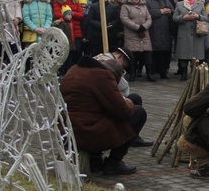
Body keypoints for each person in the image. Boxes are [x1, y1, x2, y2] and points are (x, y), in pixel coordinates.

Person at [60, 47, 150, 175]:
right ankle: (113, 163)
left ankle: (95, 159)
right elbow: (121, 111)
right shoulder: (102, 76)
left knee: (133, 99)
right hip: (85, 131)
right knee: (139, 113)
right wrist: (128, 103)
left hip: (68, 127)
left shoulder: (75, 69)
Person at [172, 0, 208, 80]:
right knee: (184, 56)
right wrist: (183, 17)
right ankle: (183, 73)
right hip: (184, 33)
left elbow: (206, 17)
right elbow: (174, 18)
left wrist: (198, 16)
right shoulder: (179, 5)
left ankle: (194, 74)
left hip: (197, 34)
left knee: (196, 57)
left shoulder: (200, 4)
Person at [119, 0, 154, 81]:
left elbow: (149, 18)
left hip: (144, 34)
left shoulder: (144, 6)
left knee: (147, 55)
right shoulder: (125, 6)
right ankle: (132, 74)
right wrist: (137, 27)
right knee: (133, 56)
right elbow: (124, 19)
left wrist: (144, 26)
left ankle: (149, 74)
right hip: (132, 34)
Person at [144, 0, 175, 79]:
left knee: (165, 52)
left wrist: (169, 11)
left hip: (165, 29)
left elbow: (173, 11)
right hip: (154, 29)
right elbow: (147, 13)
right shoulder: (147, 1)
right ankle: (152, 71)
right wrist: (160, 11)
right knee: (154, 52)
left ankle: (163, 71)